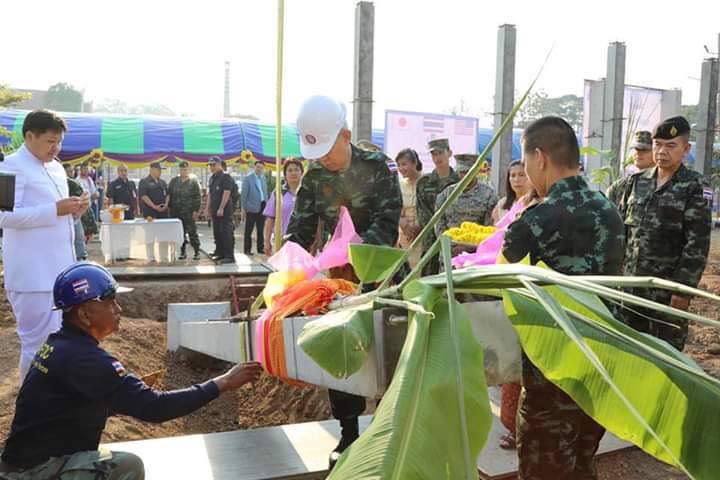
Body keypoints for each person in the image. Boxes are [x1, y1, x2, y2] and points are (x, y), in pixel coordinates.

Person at [0, 262, 263, 479]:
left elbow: (68, 403)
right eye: (111, 302)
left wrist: (118, 397)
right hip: (32, 472)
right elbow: (156, 409)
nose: (119, 309)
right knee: (127, 466)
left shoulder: (61, 345)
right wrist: (224, 382)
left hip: (23, 461)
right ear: (84, 314)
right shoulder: (85, 359)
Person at [500, 116, 625, 479]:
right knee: (582, 462)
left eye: (525, 164)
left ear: (539, 158)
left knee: (545, 466)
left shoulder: (537, 218)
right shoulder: (609, 209)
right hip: (600, 363)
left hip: (552, 370)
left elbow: (498, 272)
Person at [286, 95, 401, 469]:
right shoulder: (315, 176)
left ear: (346, 135)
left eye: (326, 150)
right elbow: (300, 231)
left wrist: (360, 250)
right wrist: (287, 266)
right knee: (340, 349)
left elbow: (388, 222)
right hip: (338, 282)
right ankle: (349, 431)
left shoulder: (378, 168)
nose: (321, 159)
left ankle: (390, 426)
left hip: (380, 275)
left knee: (388, 350)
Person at [0, 110, 90, 380]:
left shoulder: (56, 168)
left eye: (59, 142)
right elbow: (3, 216)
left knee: (60, 344)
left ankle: (54, 401)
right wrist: (54, 210)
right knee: (36, 345)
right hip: (32, 276)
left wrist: (75, 210)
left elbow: (58, 216)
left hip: (60, 272)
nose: (56, 148)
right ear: (30, 136)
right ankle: (32, 405)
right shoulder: (11, 167)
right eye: (51, 141)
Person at [614, 116, 711, 351]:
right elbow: (621, 231)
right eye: (658, 144)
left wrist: (683, 288)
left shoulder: (695, 187)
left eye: (670, 146)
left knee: (664, 355)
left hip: (667, 291)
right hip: (630, 286)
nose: (661, 151)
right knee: (626, 352)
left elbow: (697, 242)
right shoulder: (635, 183)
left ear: (686, 149)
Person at [434, 153, 498, 256]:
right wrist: (450, 246)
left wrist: (469, 247)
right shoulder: (446, 194)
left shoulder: (488, 194)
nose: (465, 176)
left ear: (476, 171)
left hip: (476, 253)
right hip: (449, 252)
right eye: (462, 172)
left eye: (468, 172)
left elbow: (489, 229)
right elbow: (439, 224)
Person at [416, 138, 459, 274]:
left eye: (440, 153)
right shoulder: (424, 182)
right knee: (428, 277)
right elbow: (422, 212)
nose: (437, 158)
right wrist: (435, 232)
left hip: (455, 237)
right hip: (430, 239)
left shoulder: (459, 180)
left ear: (449, 153)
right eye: (434, 154)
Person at [263, 158, 303, 256]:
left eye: (297, 170)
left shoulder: (309, 193)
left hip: (304, 241)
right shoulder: (278, 194)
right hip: (282, 241)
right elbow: (270, 220)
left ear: (302, 173)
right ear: (285, 174)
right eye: (290, 170)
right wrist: (266, 241)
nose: (293, 173)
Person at [606, 130, 654, 209]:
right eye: (636, 149)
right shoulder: (620, 186)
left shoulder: (663, 185)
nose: (638, 153)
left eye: (644, 150)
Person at [168, 161, 202, 260]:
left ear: (188, 170)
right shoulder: (174, 181)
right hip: (176, 212)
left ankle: (196, 252)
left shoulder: (193, 181)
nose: (184, 171)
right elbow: (169, 194)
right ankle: (182, 252)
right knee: (180, 233)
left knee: (192, 232)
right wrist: (168, 207)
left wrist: (196, 211)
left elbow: (197, 197)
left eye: (186, 169)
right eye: (182, 169)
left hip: (189, 212)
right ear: (179, 170)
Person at [395, 148, 423, 268]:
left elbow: (431, 207)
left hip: (423, 234)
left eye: (404, 164)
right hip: (404, 236)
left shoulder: (426, 181)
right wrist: (402, 222)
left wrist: (418, 225)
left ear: (414, 163)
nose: (401, 168)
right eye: (399, 165)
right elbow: (395, 207)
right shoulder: (399, 185)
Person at [207, 157, 236, 264]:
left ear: (219, 164)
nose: (211, 167)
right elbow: (210, 194)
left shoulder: (225, 177)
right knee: (217, 232)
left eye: (213, 165)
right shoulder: (212, 178)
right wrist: (207, 208)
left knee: (226, 232)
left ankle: (229, 255)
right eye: (210, 165)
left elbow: (226, 193)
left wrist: (221, 207)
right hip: (215, 210)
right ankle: (219, 252)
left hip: (224, 211)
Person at [241, 160, 268, 255]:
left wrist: (267, 204)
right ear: (254, 167)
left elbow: (265, 192)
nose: (259, 169)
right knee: (249, 230)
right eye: (258, 167)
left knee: (260, 229)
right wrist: (244, 208)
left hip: (262, 206)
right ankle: (247, 249)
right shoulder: (248, 178)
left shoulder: (263, 178)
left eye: (261, 167)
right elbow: (244, 195)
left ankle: (260, 248)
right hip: (251, 207)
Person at [64, 164, 88, 261]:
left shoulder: (73, 184)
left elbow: (86, 206)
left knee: (79, 241)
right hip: (62, 219)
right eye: (69, 171)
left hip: (76, 218)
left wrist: (90, 228)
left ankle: (81, 260)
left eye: (72, 171)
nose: (71, 173)